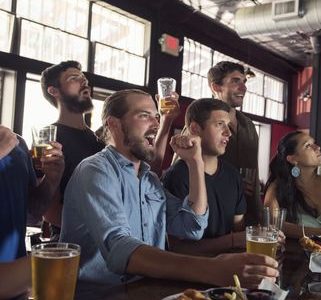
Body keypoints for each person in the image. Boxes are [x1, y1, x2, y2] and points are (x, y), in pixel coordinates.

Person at [60, 89, 278, 288]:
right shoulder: (96, 170)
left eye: (156, 117)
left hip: (146, 289)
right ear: (114, 124)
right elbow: (120, 249)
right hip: (102, 294)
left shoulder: (149, 179)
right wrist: (212, 268)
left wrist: (195, 164)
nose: (156, 124)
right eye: (144, 115)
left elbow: (192, 226)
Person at [41, 60, 179, 238]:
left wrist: (166, 121)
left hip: (117, 241)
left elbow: (150, 168)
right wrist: (103, 224)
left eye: (84, 78)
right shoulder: (48, 137)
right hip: (77, 247)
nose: (84, 82)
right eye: (74, 78)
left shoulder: (98, 138)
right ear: (54, 91)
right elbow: (49, 212)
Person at [173, 61, 261, 225]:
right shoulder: (199, 124)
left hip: (248, 216)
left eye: (244, 82)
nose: (243, 88)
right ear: (216, 87)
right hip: (211, 220)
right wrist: (227, 183)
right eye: (236, 81)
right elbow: (184, 168)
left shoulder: (248, 125)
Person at [163, 98, 247, 256]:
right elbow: (177, 248)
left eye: (228, 126)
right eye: (220, 124)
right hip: (191, 272)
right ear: (195, 129)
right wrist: (233, 240)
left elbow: (239, 231)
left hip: (230, 269)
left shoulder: (233, 174)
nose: (228, 133)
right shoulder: (177, 176)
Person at [0, 125, 64, 298]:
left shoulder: (18, 144)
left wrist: (51, 179)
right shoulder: (6, 143)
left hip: (19, 284)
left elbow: (31, 215)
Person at [264, 130, 321, 244]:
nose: (317, 147)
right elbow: (273, 224)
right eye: (308, 145)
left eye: (314, 143)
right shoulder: (277, 188)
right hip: (296, 259)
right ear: (293, 159)